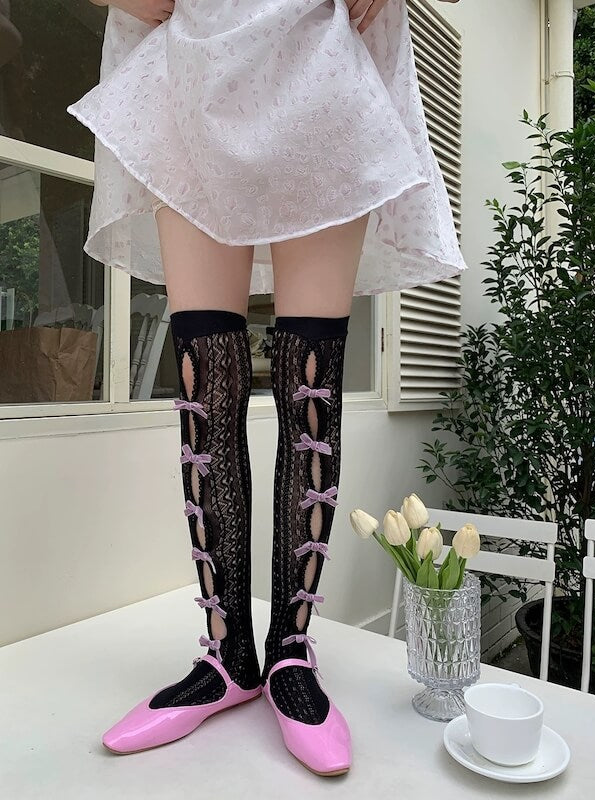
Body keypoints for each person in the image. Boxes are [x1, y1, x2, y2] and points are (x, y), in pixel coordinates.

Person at [69, 0, 464, 776]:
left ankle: (290, 652)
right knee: (205, 396)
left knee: (310, 391)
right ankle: (228, 657)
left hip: (319, 55)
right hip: (191, 65)